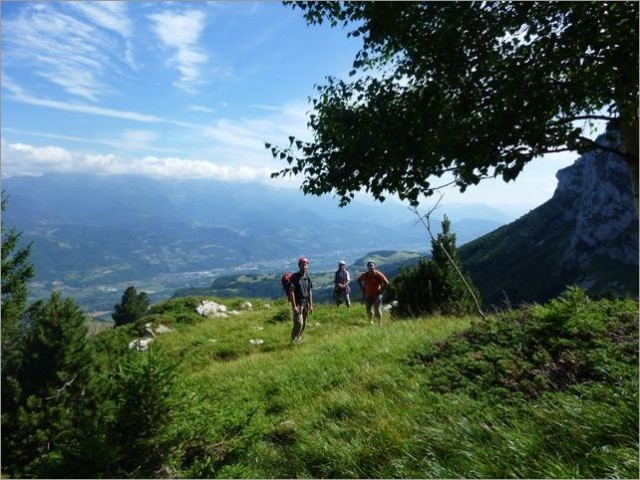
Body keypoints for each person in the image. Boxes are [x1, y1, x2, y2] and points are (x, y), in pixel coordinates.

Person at [287, 256, 313, 343]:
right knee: (299, 323)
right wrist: (294, 306)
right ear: (299, 266)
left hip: (305, 303)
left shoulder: (307, 277)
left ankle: (298, 337)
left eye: (306, 265)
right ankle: (293, 341)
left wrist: (311, 305)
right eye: (303, 265)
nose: (304, 266)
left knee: (304, 323)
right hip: (298, 304)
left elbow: (309, 291)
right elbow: (291, 292)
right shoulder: (294, 277)